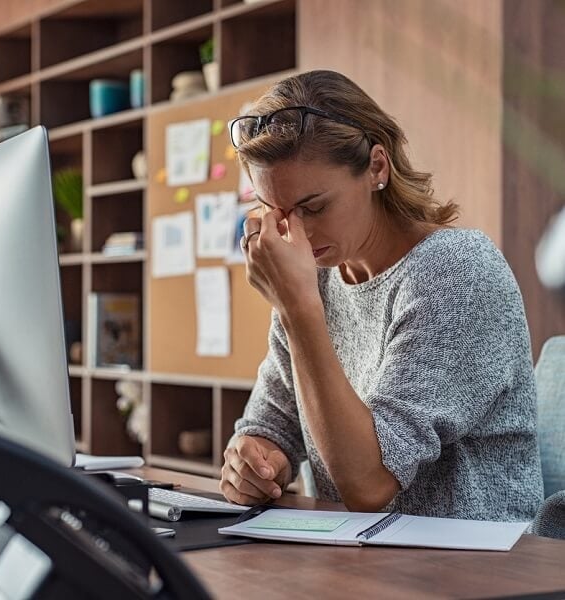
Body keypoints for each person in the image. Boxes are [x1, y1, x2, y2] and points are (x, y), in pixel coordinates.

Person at [219, 70, 543, 521]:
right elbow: (273, 423)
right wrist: (254, 460)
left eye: (314, 207)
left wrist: (298, 309)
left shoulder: (456, 271)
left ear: (377, 167)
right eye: (277, 212)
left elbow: (369, 483)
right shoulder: (318, 278)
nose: (297, 232)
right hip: (361, 559)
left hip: (475, 569)